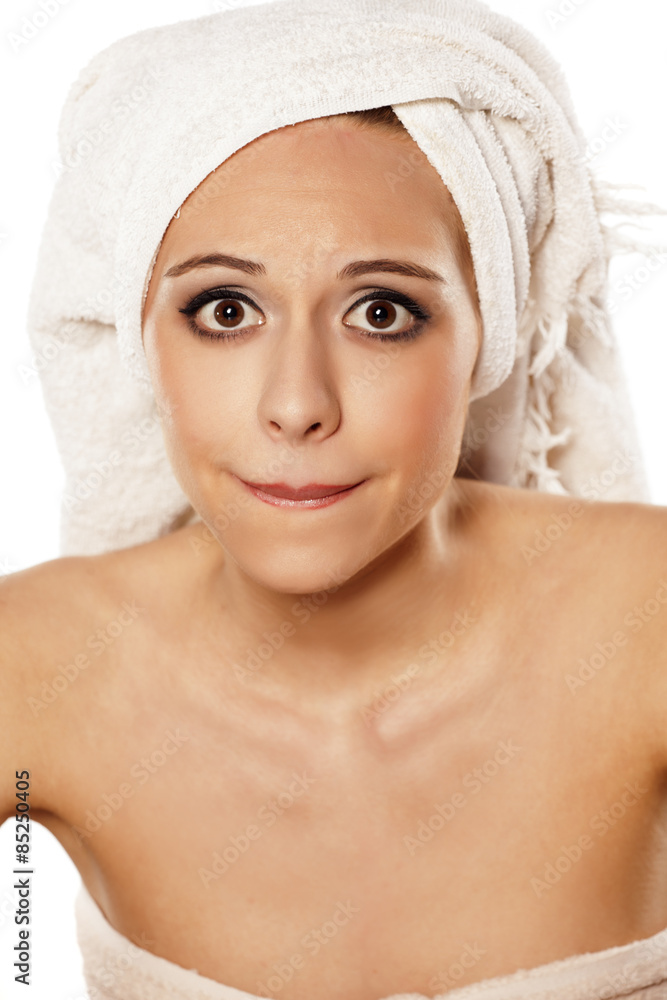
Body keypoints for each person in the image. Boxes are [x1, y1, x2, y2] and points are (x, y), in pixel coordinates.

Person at [3, 1, 667, 998]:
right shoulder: (35, 664)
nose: (297, 404)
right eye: (225, 309)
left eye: (380, 312)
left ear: (485, 336)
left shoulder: (645, 616)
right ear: (140, 335)